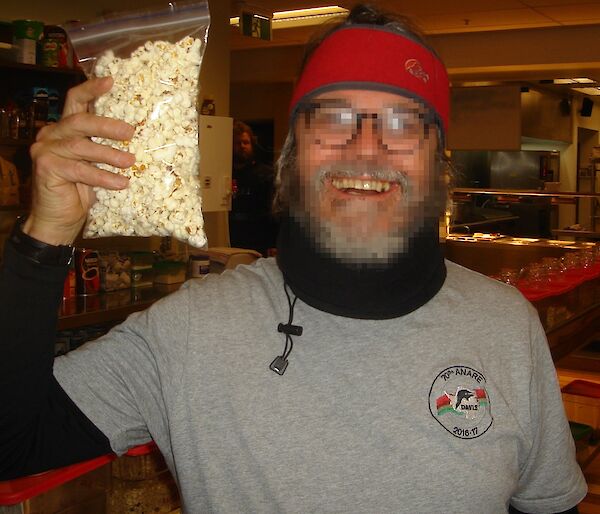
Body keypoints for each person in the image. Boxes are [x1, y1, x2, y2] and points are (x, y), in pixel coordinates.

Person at [0, 5, 587, 513]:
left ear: (439, 164)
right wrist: (43, 237)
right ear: (290, 159)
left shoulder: (505, 324)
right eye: (332, 119)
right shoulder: (191, 330)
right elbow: (10, 445)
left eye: (404, 124)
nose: (365, 149)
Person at [229, 120, 277, 255]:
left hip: (259, 238)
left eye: (246, 142)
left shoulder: (266, 174)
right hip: (232, 237)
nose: (242, 146)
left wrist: (274, 242)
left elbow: (275, 211)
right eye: (238, 143)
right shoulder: (224, 174)